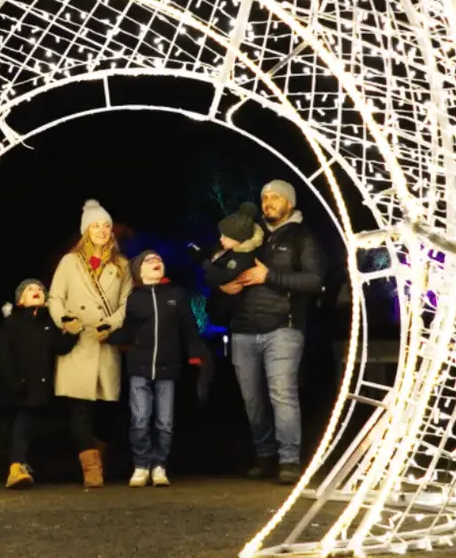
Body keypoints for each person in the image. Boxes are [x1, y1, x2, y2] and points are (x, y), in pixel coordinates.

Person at [206, 182, 323, 484]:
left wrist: (269, 276)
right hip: (243, 329)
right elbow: (221, 272)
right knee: (252, 399)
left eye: (276, 197)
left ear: (290, 203)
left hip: (283, 327)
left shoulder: (301, 236)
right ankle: (265, 455)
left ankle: (288, 459)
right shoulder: (247, 235)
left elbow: (314, 281)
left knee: (282, 393)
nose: (268, 202)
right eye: (265, 198)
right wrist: (224, 288)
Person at [47, 199, 132, 489]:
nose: (102, 231)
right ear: (86, 230)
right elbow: (55, 298)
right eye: (96, 226)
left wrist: (113, 323)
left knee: (107, 411)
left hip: (105, 343)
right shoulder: (69, 262)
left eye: (106, 226)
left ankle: (101, 457)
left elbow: (126, 303)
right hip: (79, 342)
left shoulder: (122, 265)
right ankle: (91, 469)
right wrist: (64, 319)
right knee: (79, 408)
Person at [108, 251, 208, 487]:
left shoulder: (177, 295)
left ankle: (160, 465)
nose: (156, 262)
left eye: (159, 260)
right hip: (139, 367)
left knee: (165, 422)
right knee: (140, 420)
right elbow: (127, 329)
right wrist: (108, 336)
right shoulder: (133, 298)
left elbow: (189, 328)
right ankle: (141, 466)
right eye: (149, 260)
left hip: (168, 368)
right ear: (139, 270)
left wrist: (194, 354)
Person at [0, 278, 79, 489]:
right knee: (21, 424)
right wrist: (14, 382)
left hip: (40, 386)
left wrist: (72, 333)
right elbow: (4, 356)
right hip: (19, 385)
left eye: (40, 289)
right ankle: (16, 466)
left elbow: (60, 347)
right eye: (29, 289)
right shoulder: (12, 323)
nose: (36, 291)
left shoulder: (48, 322)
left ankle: (25, 465)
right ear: (20, 299)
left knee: (30, 425)